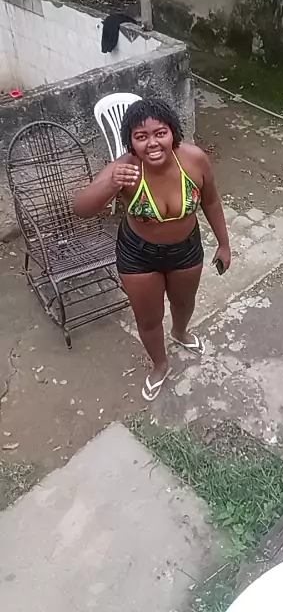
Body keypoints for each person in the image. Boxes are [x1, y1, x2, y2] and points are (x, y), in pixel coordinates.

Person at [74, 98, 231, 401]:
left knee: (184, 303)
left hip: (186, 249)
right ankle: (160, 365)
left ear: (173, 132)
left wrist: (224, 243)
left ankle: (180, 333)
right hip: (138, 255)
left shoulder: (194, 160)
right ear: (131, 142)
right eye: (141, 136)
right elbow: (81, 208)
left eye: (160, 133)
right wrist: (111, 185)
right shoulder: (124, 170)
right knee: (148, 319)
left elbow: (211, 200)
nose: (152, 143)